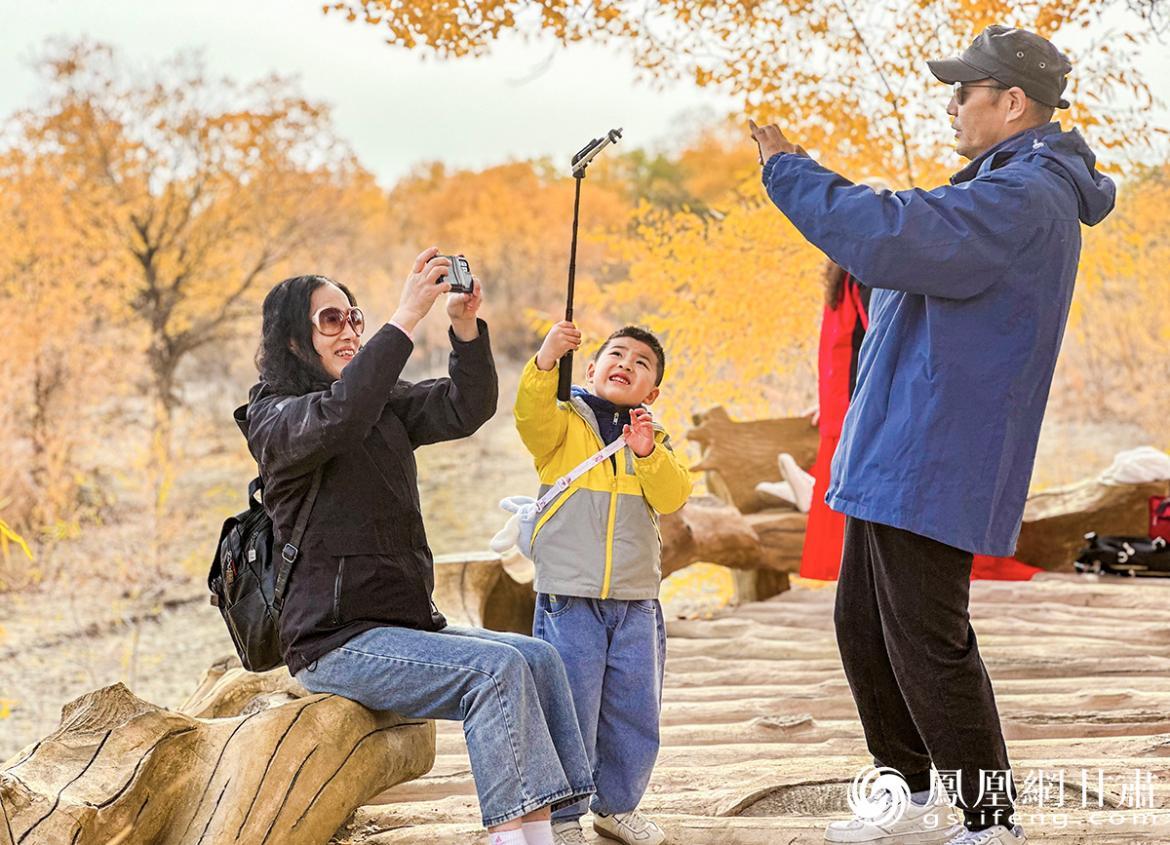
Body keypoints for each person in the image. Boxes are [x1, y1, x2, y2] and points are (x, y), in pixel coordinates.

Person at [750, 25, 1115, 845]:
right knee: (865, 625)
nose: (952, 103)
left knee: (928, 638)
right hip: (898, 446)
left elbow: (891, 232)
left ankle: (991, 823)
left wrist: (791, 172)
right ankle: (912, 798)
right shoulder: (1002, 186)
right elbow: (904, 267)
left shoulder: (1026, 195)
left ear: (1012, 102)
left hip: (938, 451)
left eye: (965, 89)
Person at [239, 248, 594, 845]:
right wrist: (404, 317)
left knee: (539, 659)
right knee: (497, 671)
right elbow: (340, 415)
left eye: (355, 317)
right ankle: (514, 838)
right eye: (331, 320)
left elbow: (465, 407)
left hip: (404, 625)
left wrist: (462, 327)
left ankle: (558, 829)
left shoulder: (376, 403)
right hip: (334, 642)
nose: (349, 329)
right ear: (294, 339)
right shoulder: (274, 418)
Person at [513, 322, 693, 845]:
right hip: (570, 598)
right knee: (569, 705)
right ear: (590, 370)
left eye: (642, 363)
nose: (626, 364)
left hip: (637, 600)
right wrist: (546, 359)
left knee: (634, 709)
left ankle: (617, 805)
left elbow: (672, 496)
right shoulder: (563, 425)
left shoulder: (653, 439)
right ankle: (564, 815)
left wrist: (646, 453)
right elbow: (529, 416)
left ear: (652, 391)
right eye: (616, 354)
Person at [799, 259, 870, 580]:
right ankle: (804, 486)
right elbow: (868, 339)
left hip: (845, 399)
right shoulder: (862, 271)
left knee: (837, 480)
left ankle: (803, 486)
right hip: (853, 401)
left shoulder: (846, 269)